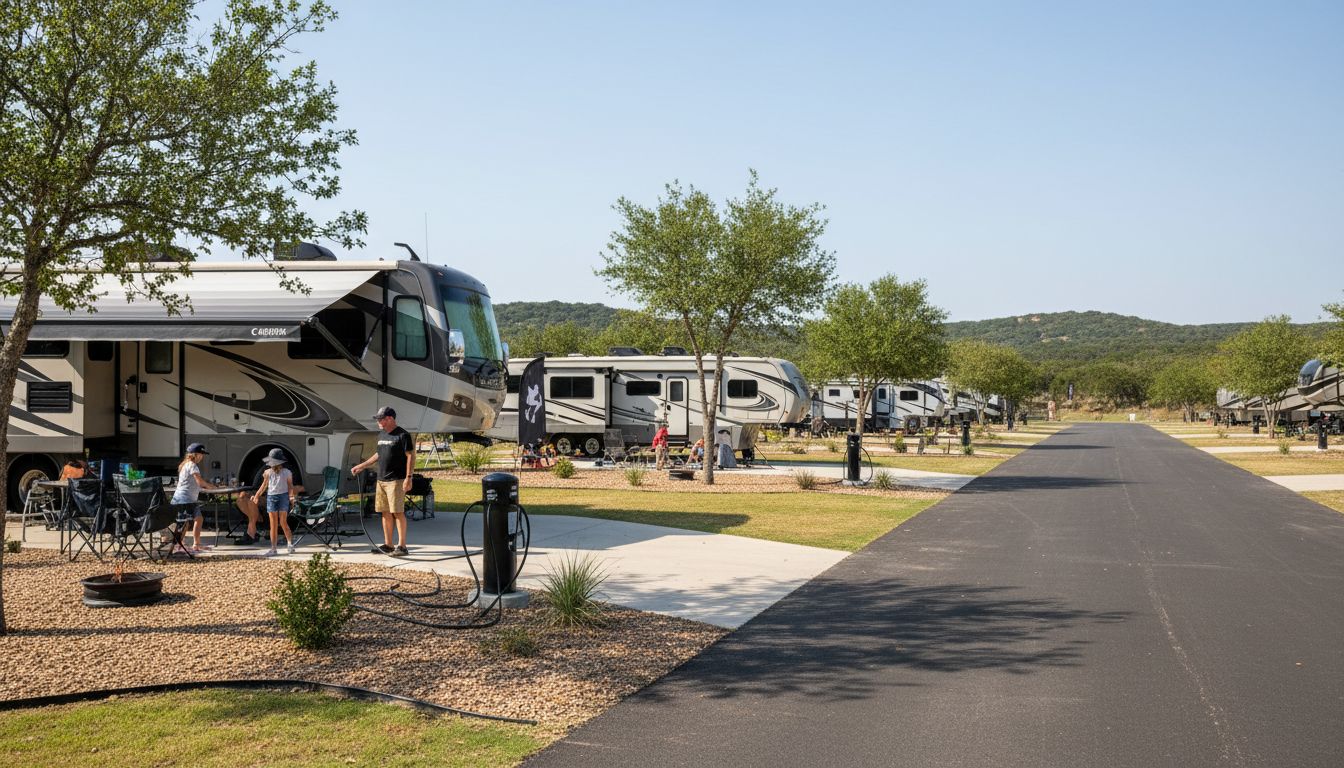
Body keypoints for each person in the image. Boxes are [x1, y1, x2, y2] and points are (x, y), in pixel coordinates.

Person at [351, 405, 415, 557]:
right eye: (378, 419)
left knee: (397, 512)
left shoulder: (403, 435)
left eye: (381, 419)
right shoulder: (381, 435)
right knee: (385, 512)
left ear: (390, 418)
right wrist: (361, 466)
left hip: (397, 480)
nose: (378, 421)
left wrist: (409, 478)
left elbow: (410, 457)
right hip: (381, 480)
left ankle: (402, 546)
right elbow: (378, 455)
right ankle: (388, 544)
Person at [171, 443, 227, 553]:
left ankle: (196, 544)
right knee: (184, 523)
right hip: (184, 498)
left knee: (198, 519)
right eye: (201, 454)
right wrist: (213, 488)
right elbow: (200, 482)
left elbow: (195, 483)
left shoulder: (185, 464)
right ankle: (179, 545)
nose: (202, 457)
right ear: (195, 455)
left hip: (187, 498)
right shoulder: (192, 465)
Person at [251, 447, 299, 556]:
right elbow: (264, 486)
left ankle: (290, 543)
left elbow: (290, 486)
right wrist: (257, 496)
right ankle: (273, 548)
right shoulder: (267, 473)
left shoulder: (287, 472)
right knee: (273, 524)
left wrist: (291, 497)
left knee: (283, 522)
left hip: (283, 497)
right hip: (271, 497)